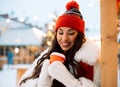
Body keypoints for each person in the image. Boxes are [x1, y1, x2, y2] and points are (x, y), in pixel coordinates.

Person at [18, 1, 100, 87]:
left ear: (79, 35)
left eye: (71, 33)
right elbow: (23, 83)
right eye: (60, 33)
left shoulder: (88, 61)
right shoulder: (48, 55)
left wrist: (70, 81)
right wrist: (43, 83)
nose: (64, 38)